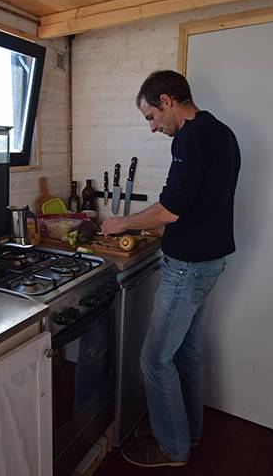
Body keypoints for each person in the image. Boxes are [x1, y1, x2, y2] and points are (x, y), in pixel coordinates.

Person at [101, 70, 241, 468]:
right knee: (188, 352)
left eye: (151, 117)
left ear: (166, 101)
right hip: (211, 260)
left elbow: (171, 209)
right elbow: (201, 201)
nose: (152, 128)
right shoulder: (222, 133)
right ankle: (187, 432)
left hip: (189, 268)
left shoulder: (189, 138)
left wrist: (122, 223)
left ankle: (172, 447)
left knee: (155, 360)